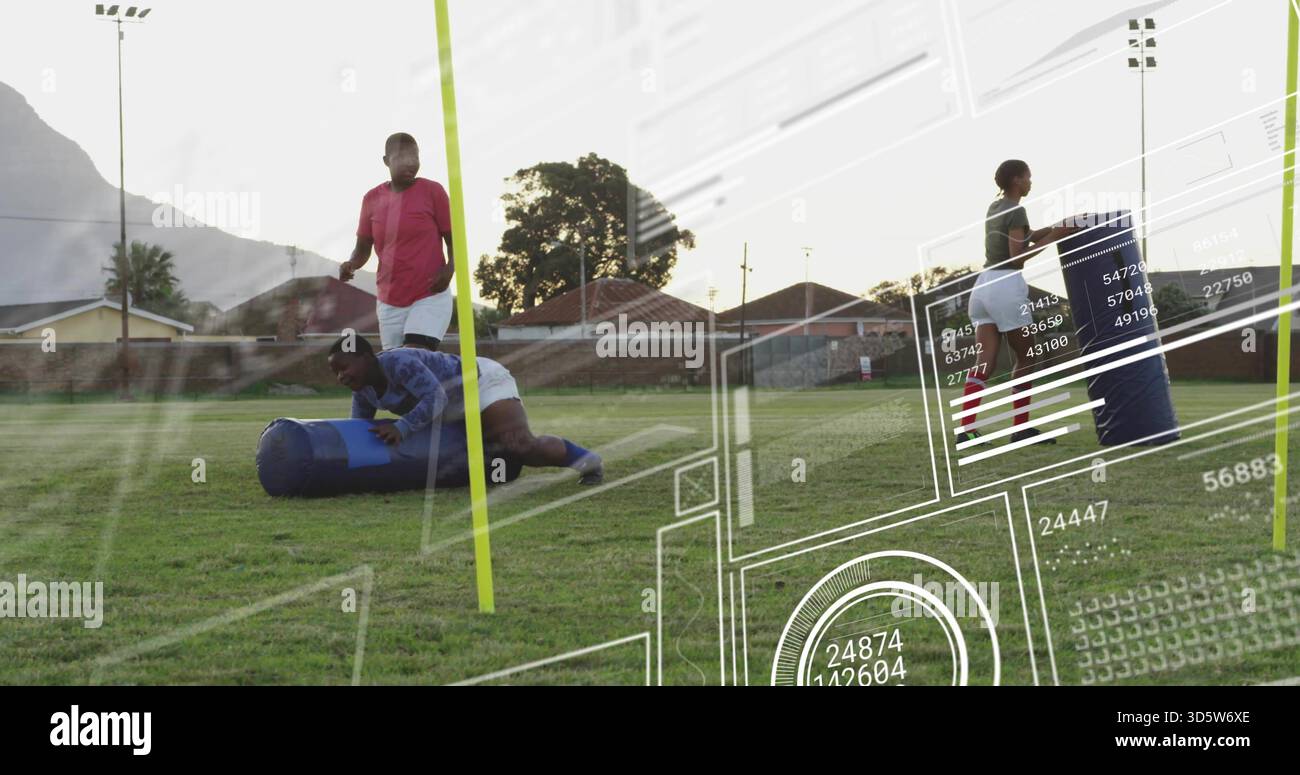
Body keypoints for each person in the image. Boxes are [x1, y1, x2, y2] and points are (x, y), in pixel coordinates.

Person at [326, 334, 604, 485]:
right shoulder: (363, 390)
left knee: (518, 445)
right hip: (449, 407)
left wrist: (401, 427)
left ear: (366, 357)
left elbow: (435, 398)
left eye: (344, 367)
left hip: (480, 381)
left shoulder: (399, 362)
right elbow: (357, 430)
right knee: (490, 454)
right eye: (335, 372)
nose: (341, 377)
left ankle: (588, 461)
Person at [959, 159, 1079, 446]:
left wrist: (1054, 228)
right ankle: (1020, 430)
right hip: (1006, 287)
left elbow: (1022, 237)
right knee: (1027, 357)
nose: (1030, 182)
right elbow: (1017, 256)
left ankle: (966, 430)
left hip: (983, 288)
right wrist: (1053, 238)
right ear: (1016, 180)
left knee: (983, 363)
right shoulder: (1017, 210)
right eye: (1028, 177)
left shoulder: (995, 207)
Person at [340, 132, 455, 351]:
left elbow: (454, 239)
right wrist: (351, 264)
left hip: (429, 294)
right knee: (395, 369)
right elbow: (362, 249)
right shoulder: (371, 199)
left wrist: (450, 268)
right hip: (389, 300)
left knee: (414, 355)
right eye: (403, 157)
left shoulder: (433, 191)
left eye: (415, 157)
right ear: (386, 161)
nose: (411, 162)